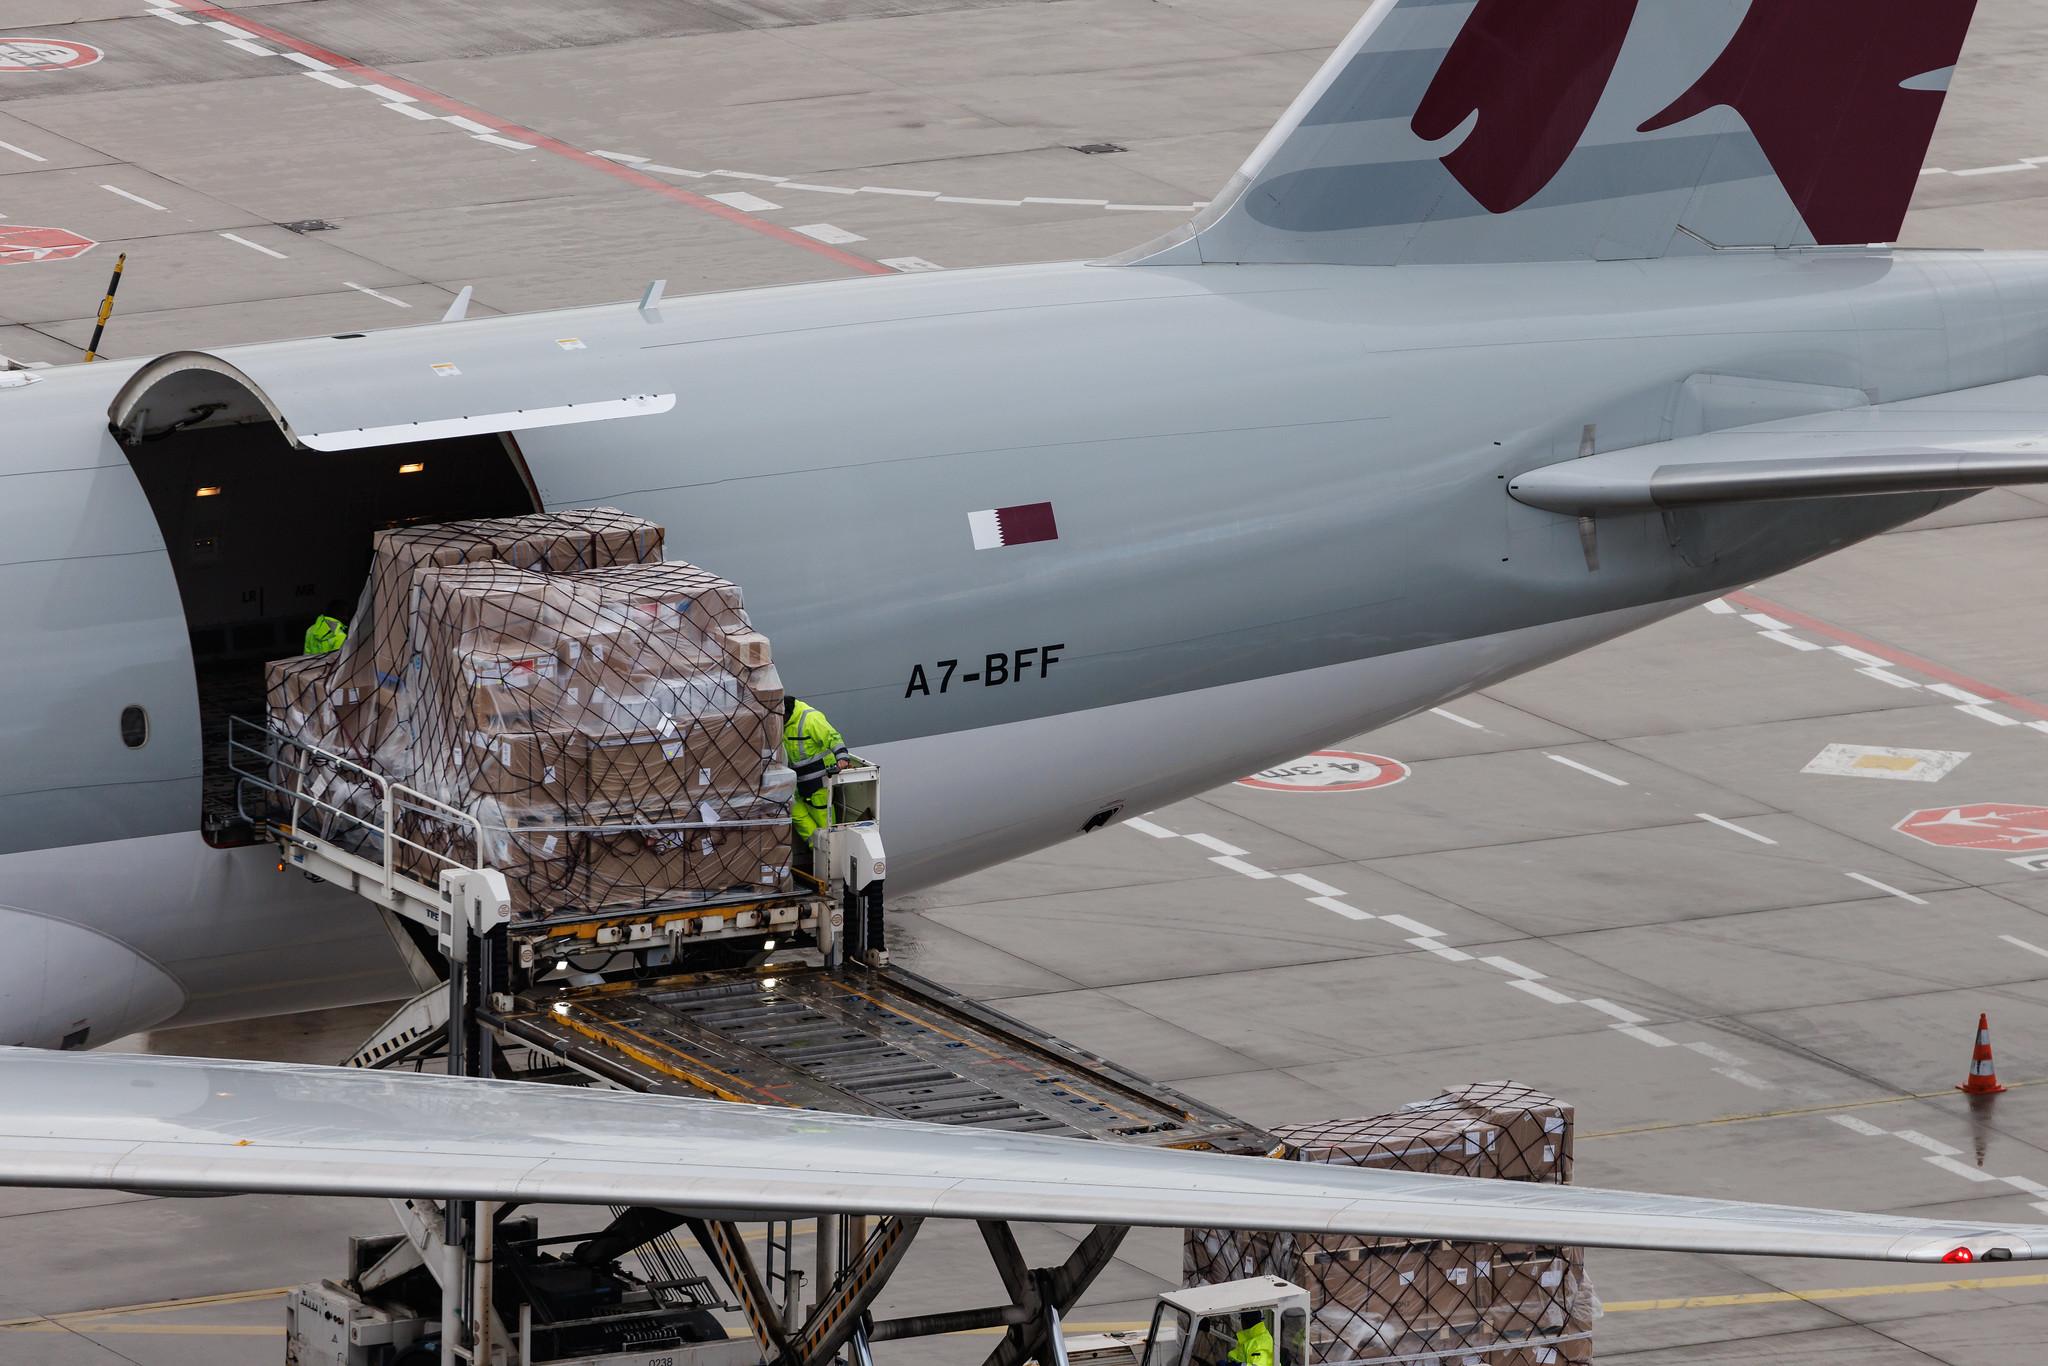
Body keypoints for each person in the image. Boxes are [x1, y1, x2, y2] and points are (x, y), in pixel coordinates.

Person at [783, 697, 850, 849]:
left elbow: (832, 737)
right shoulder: (783, 722)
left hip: (818, 785)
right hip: (797, 783)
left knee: (826, 828)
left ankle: (828, 852)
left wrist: (842, 757)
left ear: (786, 713)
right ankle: (818, 847)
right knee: (793, 810)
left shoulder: (811, 718)